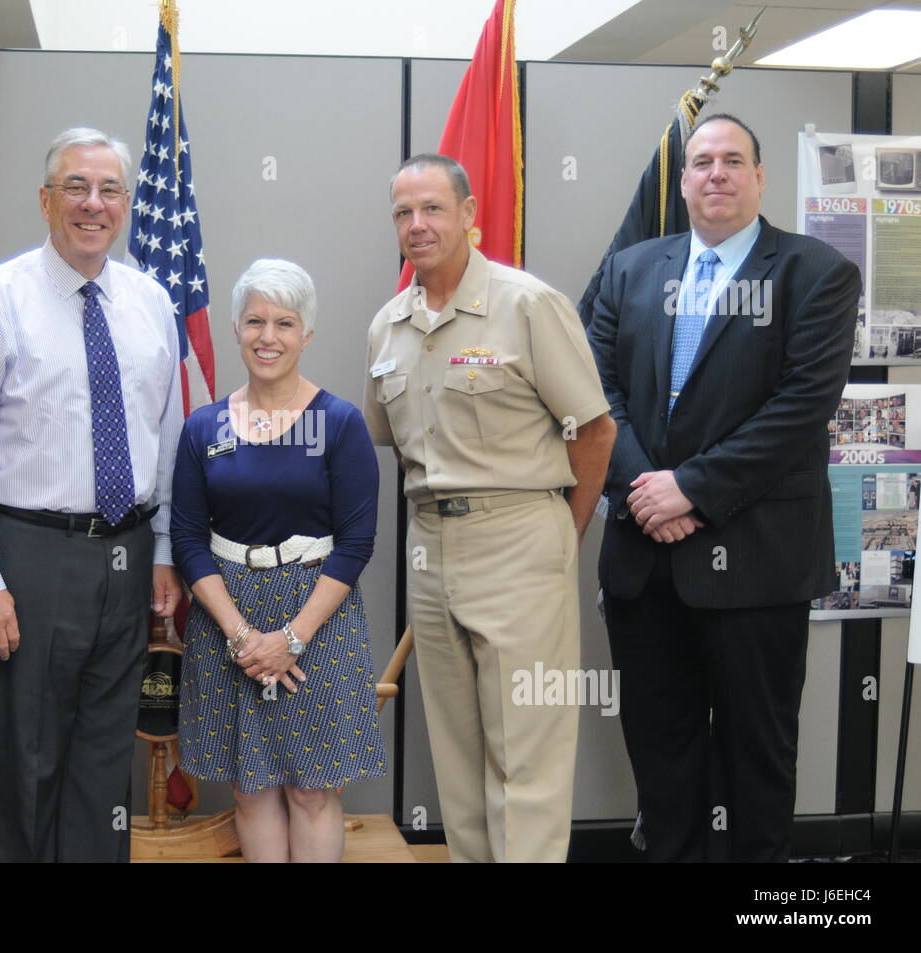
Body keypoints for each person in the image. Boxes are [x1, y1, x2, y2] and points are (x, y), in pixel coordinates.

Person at [586, 114, 860, 862]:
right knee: (662, 765)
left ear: (760, 177)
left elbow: (801, 409)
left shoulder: (817, 274)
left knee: (757, 767)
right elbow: (594, 391)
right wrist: (649, 489)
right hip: (646, 565)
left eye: (733, 160)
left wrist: (693, 490)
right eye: (702, 161)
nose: (716, 173)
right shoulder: (631, 270)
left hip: (758, 568)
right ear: (682, 181)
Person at [0, 127, 183, 863]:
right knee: (26, 762)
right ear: (45, 200)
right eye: (76, 186)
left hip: (128, 554)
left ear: (128, 205)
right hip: (28, 558)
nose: (92, 203)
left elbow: (162, 437)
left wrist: (164, 549)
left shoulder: (150, 302)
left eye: (109, 190)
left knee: (105, 766)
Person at [363, 154, 615, 863]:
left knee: (525, 755)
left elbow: (596, 431)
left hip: (519, 540)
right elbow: (394, 445)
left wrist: (560, 537)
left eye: (434, 208)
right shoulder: (389, 325)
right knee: (459, 754)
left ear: (469, 213)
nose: (418, 225)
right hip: (431, 548)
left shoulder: (525, 304)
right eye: (404, 213)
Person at [172, 258, 386, 863]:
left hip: (318, 617)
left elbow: (356, 543)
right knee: (250, 786)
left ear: (307, 334)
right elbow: (188, 540)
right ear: (236, 329)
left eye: (285, 323)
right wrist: (243, 637)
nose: (268, 337)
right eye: (255, 321)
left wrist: (291, 638)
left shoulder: (339, 423)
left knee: (313, 789)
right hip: (227, 619)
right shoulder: (203, 426)